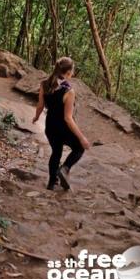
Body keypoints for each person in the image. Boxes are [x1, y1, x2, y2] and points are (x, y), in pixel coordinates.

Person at [32, 56, 90, 190]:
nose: (73, 74)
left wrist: (36, 117)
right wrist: (82, 138)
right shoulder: (69, 91)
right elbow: (68, 118)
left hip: (50, 127)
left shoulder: (44, 84)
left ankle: (52, 183)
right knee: (79, 148)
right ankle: (65, 169)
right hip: (64, 129)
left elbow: (40, 105)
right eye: (72, 71)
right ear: (68, 72)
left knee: (56, 152)